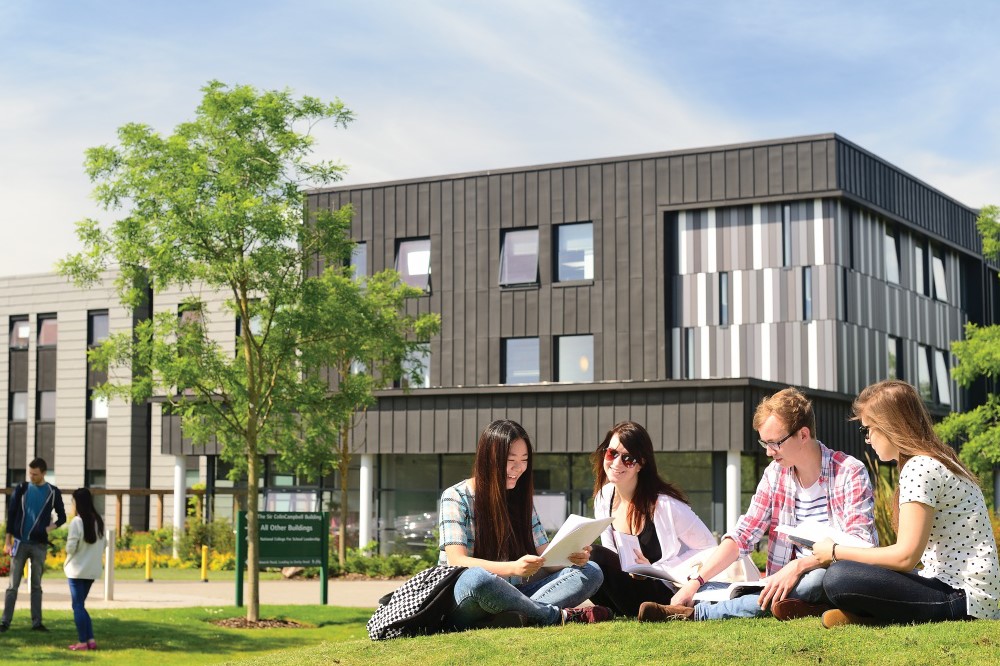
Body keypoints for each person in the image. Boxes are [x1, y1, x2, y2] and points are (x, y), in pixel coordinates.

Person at [638, 387, 878, 622]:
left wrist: (798, 567)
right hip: (784, 582)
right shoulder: (775, 474)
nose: (769, 453)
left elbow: (858, 543)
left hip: (837, 575)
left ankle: (699, 614)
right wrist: (695, 583)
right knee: (791, 587)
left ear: (803, 435)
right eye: (765, 444)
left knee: (820, 580)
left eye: (775, 443)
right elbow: (743, 535)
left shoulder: (849, 471)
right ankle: (805, 607)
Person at [813, 379, 1000, 627]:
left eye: (867, 429)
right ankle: (868, 616)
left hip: (962, 598)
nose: (867, 439)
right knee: (851, 572)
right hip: (963, 591)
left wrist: (835, 552)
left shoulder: (920, 467)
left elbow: (905, 557)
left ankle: (871, 617)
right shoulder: (938, 459)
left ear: (890, 426)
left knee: (839, 576)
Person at [438, 419, 611, 629]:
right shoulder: (456, 496)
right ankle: (556, 616)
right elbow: (457, 561)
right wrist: (513, 568)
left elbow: (545, 558)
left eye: (524, 459)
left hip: (516, 595)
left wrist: (570, 557)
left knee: (591, 571)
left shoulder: (521, 499)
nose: (518, 468)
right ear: (489, 458)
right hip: (467, 598)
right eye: (510, 460)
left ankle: (512, 618)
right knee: (478, 579)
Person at [588, 421, 718, 617]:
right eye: (612, 453)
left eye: (628, 459)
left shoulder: (665, 505)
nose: (616, 463)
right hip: (629, 589)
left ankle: (642, 612)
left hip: (665, 593)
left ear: (641, 464)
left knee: (596, 555)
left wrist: (654, 568)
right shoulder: (604, 498)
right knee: (588, 559)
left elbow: (708, 548)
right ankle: (616, 611)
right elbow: (612, 557)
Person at [2, 457, 66, 633]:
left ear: (44, 473)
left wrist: (49, 528)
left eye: (35, 474)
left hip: (39, 546)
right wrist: (8, 541)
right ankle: (5, 622)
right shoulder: (21, 489)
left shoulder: (53, 492)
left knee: (36, 585)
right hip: (20, 543)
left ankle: (36, 623)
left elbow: (62, 517)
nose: (31, 476)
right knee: (12, 586)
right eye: (30, 473)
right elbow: (12, 514)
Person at [64, 488, 106, 650]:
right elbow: (105, 544)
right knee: (80, 605)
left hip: (76, 570)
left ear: (77, 502)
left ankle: (82, 642)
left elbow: (71, 548)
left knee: (78, 606)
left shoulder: (77, 521)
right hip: (91, 570)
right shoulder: (99, 520)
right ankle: (90, 640)